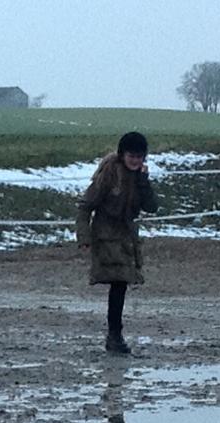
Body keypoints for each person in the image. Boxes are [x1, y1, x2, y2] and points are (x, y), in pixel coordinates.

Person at [76, 131, 158, 354]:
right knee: (119, 284)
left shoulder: (139, 177)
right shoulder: (108, 175)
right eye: (132, 156)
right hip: (106, 235)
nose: (135, 160)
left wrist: (143, 182)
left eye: (140, 156)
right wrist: (83, 237)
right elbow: (85, 206)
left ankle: (115, 335)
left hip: (127, 236)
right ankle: (114, 335)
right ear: (123, 154)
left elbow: (152, 206)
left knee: (120, 285)